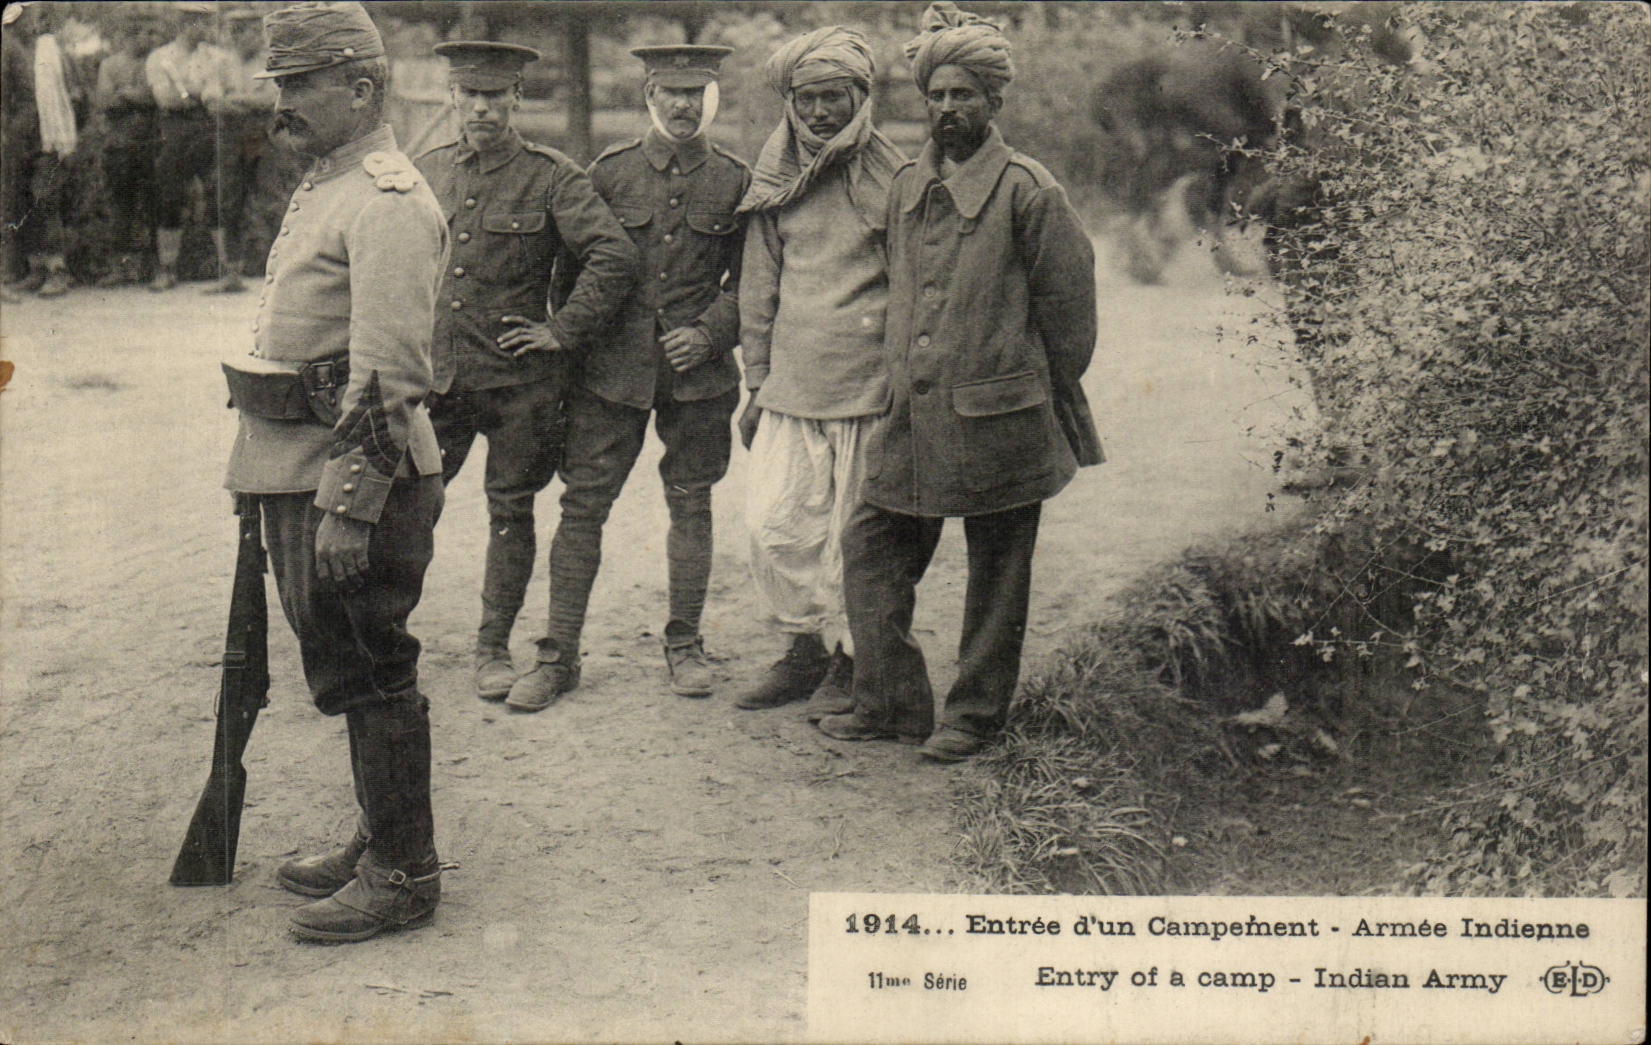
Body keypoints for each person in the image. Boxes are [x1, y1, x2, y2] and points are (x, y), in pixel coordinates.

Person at [219, 0, 450, 942]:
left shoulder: (388, 199)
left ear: (361, 88)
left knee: (370, 666)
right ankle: (378, 834)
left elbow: (387, 370)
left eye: (301, 85)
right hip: (301, 470)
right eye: (280, 84)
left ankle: (404, 871)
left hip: (355, 481)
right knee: (346, 666)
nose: (283, 104)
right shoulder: (331, 182)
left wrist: (351, 508)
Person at [821, 2, 1103, 762]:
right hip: (909, 417)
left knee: (998, 572)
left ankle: (973, 716)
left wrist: (1016, 383)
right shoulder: (909, 183)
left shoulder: (1027, 190)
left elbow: (1070, 314)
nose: (948, 109)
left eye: (964, 95)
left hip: (998, 418)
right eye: (936, 95)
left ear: (993, 102)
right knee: (870, 544)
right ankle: (891, 702)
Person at [506, 44, 750, 710]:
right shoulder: (609, 173)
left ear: (712, 97)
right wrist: (570, 335)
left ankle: (684, 643)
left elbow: (752, 278)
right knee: (583, 504)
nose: (683, 105)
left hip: (696, 376)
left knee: (691, 501)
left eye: (696, 93)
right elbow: (571, 265)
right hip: (610, 373)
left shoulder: (734, 180)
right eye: (671, 92)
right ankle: (557, 656)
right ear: (648, 93)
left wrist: (709, 332)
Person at [412, 41, 637, 706]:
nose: (481, 107)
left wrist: (561, 330)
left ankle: (490, 649)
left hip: (518, 385)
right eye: (469, 94)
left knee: (510, 512)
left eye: (495, 96)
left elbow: (613, 256)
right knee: (409, 504)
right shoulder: (423, 172)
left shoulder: (551, 175)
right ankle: (381, 641)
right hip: (440, 381)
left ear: (516, 100)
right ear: (450, 97)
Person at [732, 26, 905, 718]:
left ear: (860, 99)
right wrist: (755, 381)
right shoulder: (775, 177)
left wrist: (900, 387)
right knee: (773, 526)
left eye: (832, 98)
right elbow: (759, 287)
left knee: (852, 539)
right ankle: (802, 649)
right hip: (792, 389)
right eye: (805, 101)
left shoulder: (895, 177)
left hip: (867, 390)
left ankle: (852, 659)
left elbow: (912, 287)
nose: (817, 114)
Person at [145, 4, 245, 292]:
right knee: (169, 197)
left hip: (212, 129)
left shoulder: (219, 58)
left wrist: (193, 94)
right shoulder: (160, 57)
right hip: (174, 131)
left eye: (203, 19)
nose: (199, 26)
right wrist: (205, 95)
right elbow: (166, 99)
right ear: (179, 22)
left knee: (219, 193)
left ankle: (230, 270)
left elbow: (231, 95)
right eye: (192, 19)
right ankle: (166, 268)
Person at [93, 5, 165, 287]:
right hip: (120, 146)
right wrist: (138, 96)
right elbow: (104, 101)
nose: (150, 39)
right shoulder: (110, 65)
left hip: (152, 144)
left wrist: (126, 94)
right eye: (145, 33)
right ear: (129, 36)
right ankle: (121, 268)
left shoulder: (157, 62)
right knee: (122, 207)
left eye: (152, 33)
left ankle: (155, 267)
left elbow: (156, 97)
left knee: (153, 206)